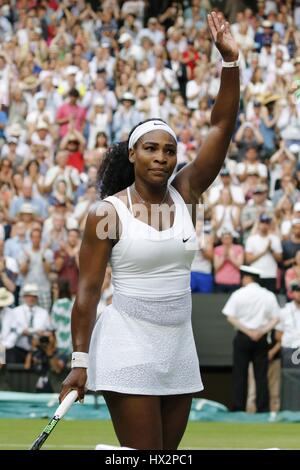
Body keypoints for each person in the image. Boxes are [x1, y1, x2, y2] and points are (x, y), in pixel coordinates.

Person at [60, 12, 240, 450]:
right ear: (133, 156)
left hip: (179, 344)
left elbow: (221, 126)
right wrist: (80, 361)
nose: (162, 157)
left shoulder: (188, 193)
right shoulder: (106, 212)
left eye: (169, 151)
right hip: (127, 341)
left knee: (167, 457)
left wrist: (231, 63)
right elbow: (86, 292)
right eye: (151, 149)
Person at [222, 265, 280, 412]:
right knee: (261, 375)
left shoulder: (239, 294)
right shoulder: (268, 295)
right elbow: (276, 318)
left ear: (247, 278)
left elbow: (230, 317)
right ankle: (263, 409)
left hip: (243, 337)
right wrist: (261, 331)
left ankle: (238, 408)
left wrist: (247, 331)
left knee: (240, 374)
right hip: (261, 338)